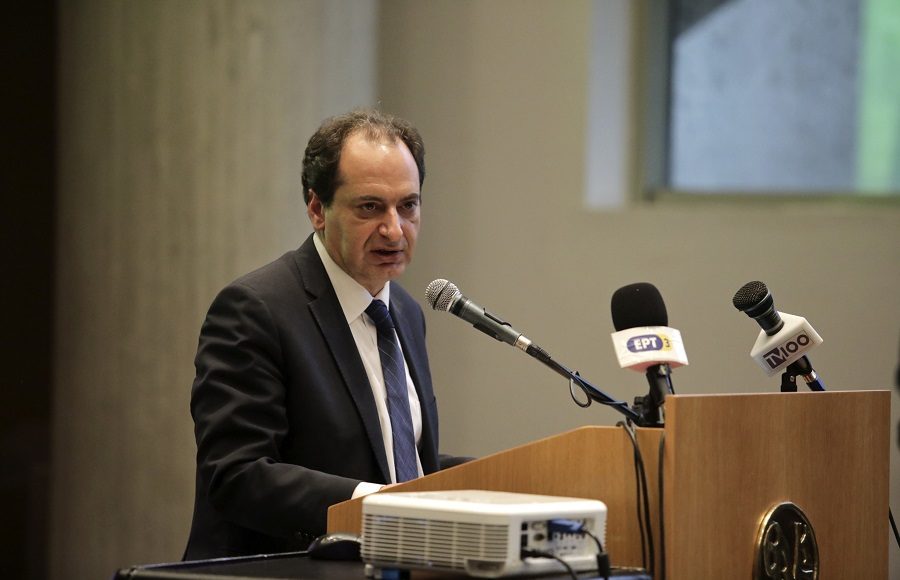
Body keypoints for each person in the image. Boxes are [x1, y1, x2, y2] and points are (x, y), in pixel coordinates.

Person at [183, 109, 466, 560]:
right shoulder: (256, 309)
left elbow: (395, 461)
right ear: (317, 209)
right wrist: (379, 505)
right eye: (370, 207)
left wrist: (499, 482)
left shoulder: (406, 312)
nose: (394, 229)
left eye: (407, 206)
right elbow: (237, 475)